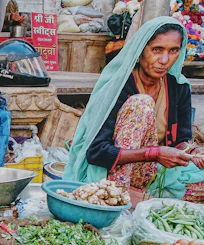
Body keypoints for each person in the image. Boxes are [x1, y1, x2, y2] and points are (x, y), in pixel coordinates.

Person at [64, 17, 204, 204]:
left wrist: (193, 152)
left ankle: (140, 197)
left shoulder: (179, 87)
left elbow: (180, 140)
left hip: (154, 173)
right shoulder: (120, 86)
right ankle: (118, 197)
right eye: (156, 50)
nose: (164, 60)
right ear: (140, 52)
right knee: (142, 104)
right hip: (114, 172)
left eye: (173, 51)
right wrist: (154, 153)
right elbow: (96, 152)